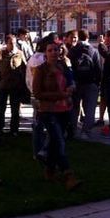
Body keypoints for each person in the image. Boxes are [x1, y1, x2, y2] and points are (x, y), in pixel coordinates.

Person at [33, 42, 81, 190]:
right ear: (45, 53)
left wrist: (71, 87)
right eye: (50, 50)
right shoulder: (41, 70)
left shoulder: (62, 66)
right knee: (59, 141)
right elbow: (38, 93)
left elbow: (70, 80)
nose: (53, 52)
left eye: (56, 50)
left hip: (64, 109)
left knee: (55, 141)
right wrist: (60, 94)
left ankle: (49, 170)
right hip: (48, 110)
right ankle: (68, 175)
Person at [68, 29, 102, 140]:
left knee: (74, 108)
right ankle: (86, 132)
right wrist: (97, 83)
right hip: (90, 83)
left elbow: (69, 68)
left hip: (76, 83)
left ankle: (73, 131)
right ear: (88, 37)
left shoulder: (73, 51)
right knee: (90, 109)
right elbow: (98, 69)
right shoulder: (93, 51)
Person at [0, 34, 27, 136]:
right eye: (11, 43)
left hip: (15, 86)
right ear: (6, 44)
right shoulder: (1, 53)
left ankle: (14, 129)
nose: (13, 45)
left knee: (15, 109)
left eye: (14, 43)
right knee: (1, 108)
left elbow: (24, 68)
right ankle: (0, 128)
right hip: (3, 85)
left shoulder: (19, 53)